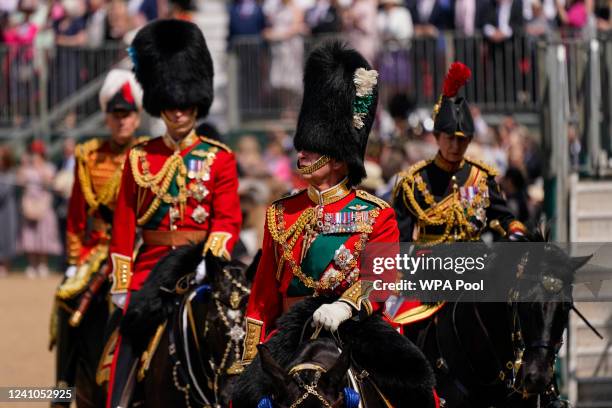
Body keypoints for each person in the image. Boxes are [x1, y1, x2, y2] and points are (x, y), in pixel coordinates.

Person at [234, 41, 438, 408]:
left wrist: (345, 306)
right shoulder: (280, 212)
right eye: (304, 146)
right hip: (289, 337)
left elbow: (381, 279)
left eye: (313, 148)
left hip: (351, 331)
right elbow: (263, 295)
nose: (302, 153)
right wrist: (252, 356)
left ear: (340, 159)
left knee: (419, 389)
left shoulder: (376, 213)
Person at [105, 19, 242, 408]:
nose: (179, 112)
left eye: (185, 105)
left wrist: (209, 261)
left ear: (197, 104)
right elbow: (124, 223)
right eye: (171, 105)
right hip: (150, 267)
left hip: (201, 264)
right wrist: (121, 282)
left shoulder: (219, 158)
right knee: (126, 341)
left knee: (233, 329)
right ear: (159, 104)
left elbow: (228, 220)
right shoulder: (140, 156)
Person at [51, 69, 144, 406]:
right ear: (106, 117)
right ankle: (62, 388)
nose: (122, 121)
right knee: (67, 299)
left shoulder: (149, 155)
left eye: (128, 114)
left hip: (140, 248)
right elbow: (77, 216)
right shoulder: (88, 156)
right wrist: (76, 262)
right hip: (99, 249)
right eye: (116, 115)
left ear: (137, 118)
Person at [392, 62, 527, 246]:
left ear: (470, 140)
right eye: (450, 138)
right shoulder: (414, 182)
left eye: (462, 139)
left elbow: (504, 218)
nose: (455, 146)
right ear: (437, 137)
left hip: (475, 265)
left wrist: (515, 231)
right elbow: (401, 240)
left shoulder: (481, 178)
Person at [17, 140, 62, 278]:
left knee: (45, 234)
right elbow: (20, 182)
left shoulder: (49, 167)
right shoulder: (26, 168)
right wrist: (24, 166)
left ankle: (43, 265)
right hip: (30, 205)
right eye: (33, 152)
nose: (35, 155)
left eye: (37, 152)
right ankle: (32, 265)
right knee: (30, 236)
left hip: (44, 205)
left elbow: (51, 183)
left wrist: (40, 170)